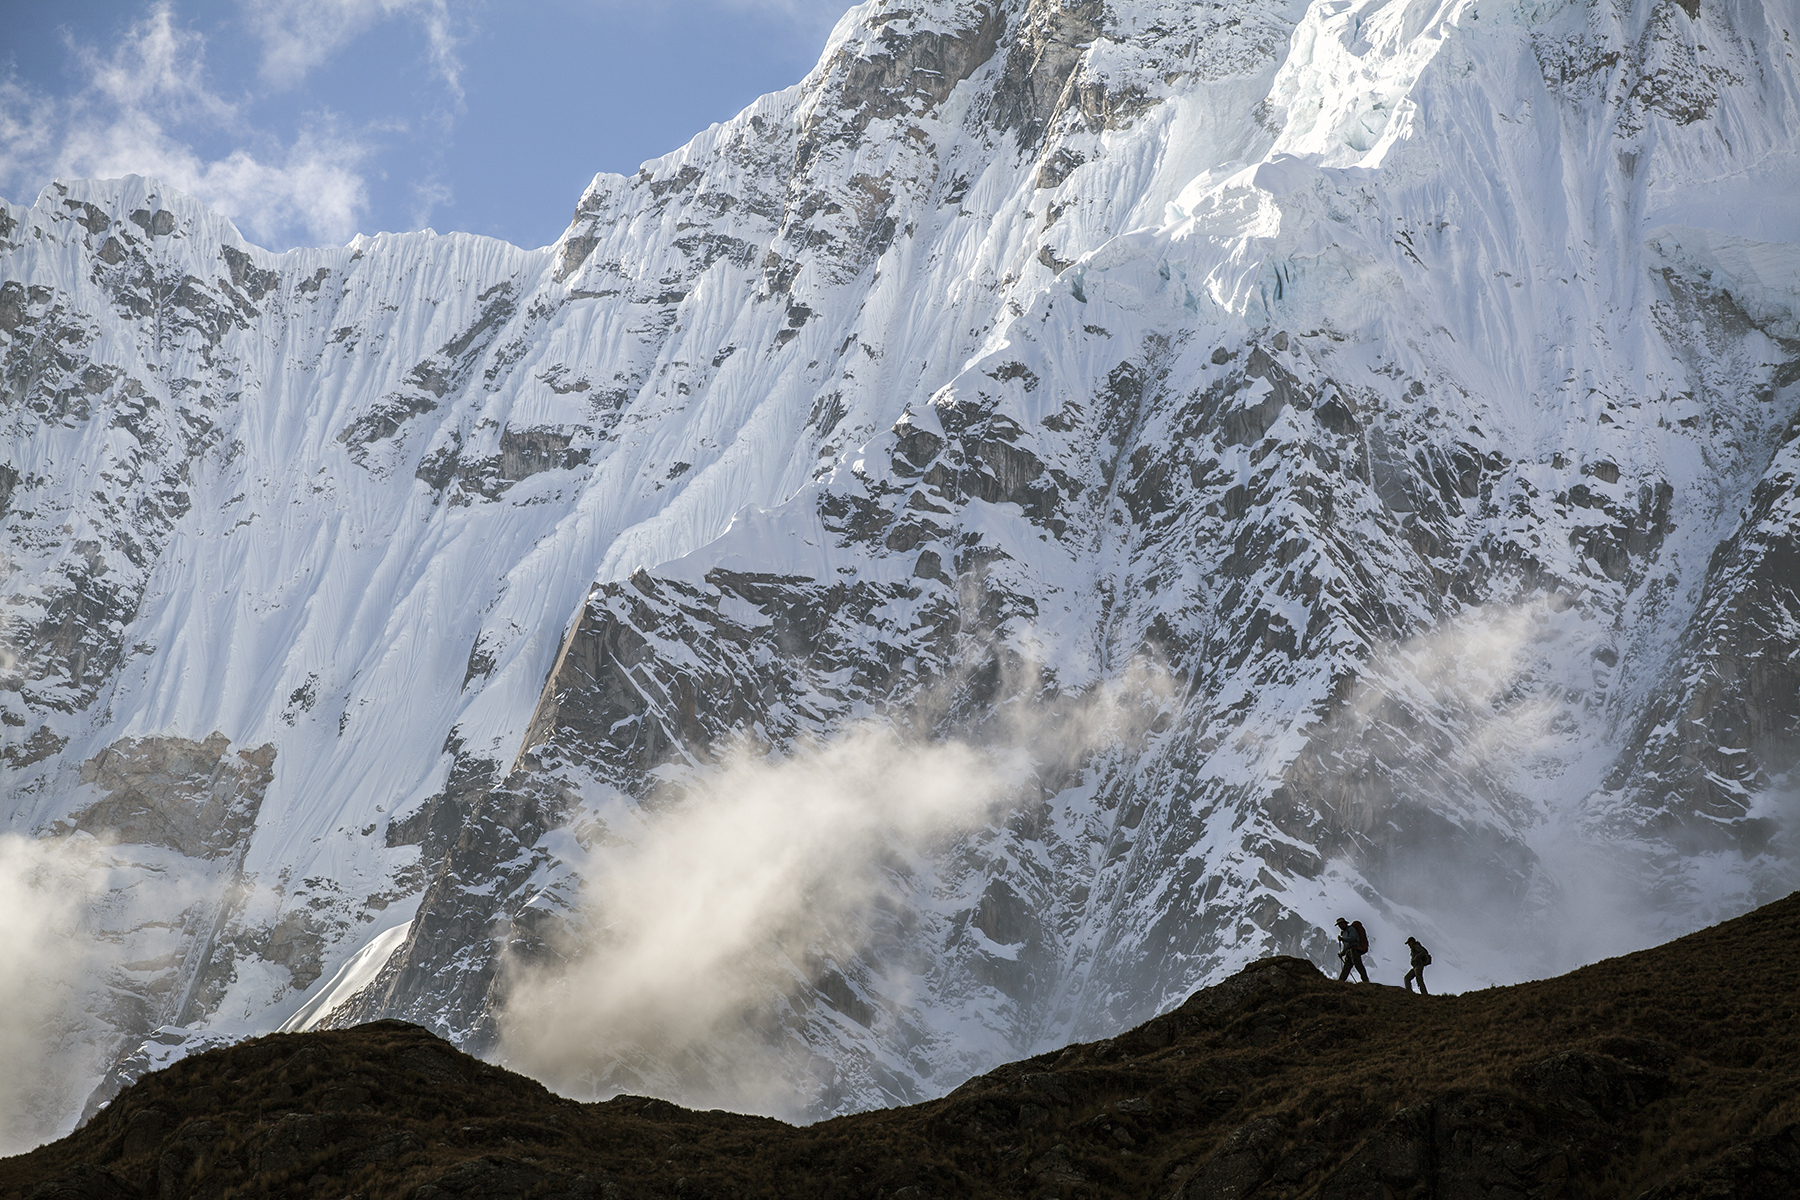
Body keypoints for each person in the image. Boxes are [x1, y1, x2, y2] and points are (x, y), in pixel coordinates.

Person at [1335, 917, 1369, 983]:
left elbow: (1353, 938)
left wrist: (1343, 939)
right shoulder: (1344, 932)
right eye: (1339, 925)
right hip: (1350, 952)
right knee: (1347, 968)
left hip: (1354, 950)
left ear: (1344, 923)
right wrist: (1342, 953)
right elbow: (1346, 946)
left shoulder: (1351, 929)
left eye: (1341, 924)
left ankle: (1365, 981)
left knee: (1358, 966)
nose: (1340, 926)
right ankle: (1340, 981)